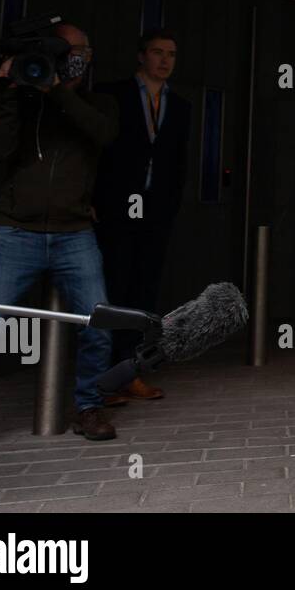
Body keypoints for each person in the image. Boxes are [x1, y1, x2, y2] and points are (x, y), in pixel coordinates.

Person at [0, 23, 120, 457]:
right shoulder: (23, 102)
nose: (71, 57)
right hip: (14, 232)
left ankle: (89, 408)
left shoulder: (100, 103)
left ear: (88, 57)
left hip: (74, 234)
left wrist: (57, 89)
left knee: (99, 325)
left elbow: (104, 135)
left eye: (78, 50)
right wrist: (8, 92)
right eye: (62, 50)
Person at [93, 29, 190, 404]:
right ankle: (100, 378)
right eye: (157, 52)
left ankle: (129, 374)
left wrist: (169, 207)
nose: (165, 60)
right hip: (116, 207)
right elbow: (97, 150)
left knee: (144, 293)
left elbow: (179, 162)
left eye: (172, 54)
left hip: (155, 212)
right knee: (112, 291)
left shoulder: (180, 106)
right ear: (141, 56)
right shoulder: (112, 94)